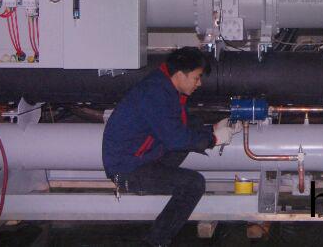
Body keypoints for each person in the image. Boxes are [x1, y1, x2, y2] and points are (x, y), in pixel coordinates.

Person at [102, 47, 240, 247]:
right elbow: (175, 139)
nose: (199, 83)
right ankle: (155, 242)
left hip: (144, 156)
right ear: (180, 75)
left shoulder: (165, 87)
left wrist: (213, 129)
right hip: (128, 169)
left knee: (192, 125)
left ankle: (165, 178)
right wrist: (213, 139)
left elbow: (178, 128)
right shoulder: (155, 94)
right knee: (193, 184)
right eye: (196, 78)